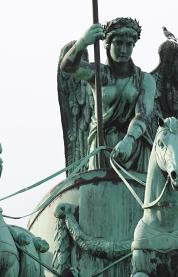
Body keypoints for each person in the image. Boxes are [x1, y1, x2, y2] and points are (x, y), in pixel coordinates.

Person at [60, 17, 156, 173]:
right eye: (118, 43)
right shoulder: (97, 74)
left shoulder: (144, 80)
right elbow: (68, 67)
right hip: (102, 145)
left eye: (129, 44)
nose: (123, 50)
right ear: (107, 44)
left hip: (133, 148)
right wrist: (83, 41)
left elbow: (142, 115)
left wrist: (129, 140)